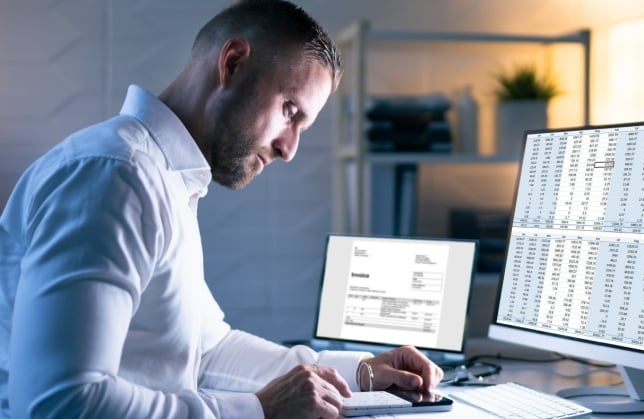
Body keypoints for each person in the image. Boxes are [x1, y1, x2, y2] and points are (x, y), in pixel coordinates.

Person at [0, 1, 443, 418]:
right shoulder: (116, 176)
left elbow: (207, 349)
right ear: (232, 63)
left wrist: (358, 374)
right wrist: (259, 410)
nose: (289, 149)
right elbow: (59, 402)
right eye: (290, 110)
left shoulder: (164, 178)